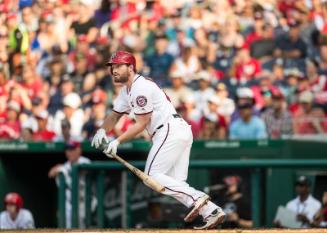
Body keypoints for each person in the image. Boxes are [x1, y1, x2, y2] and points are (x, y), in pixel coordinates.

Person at [91, 51, 226, 229]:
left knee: (153, 176)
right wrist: (102, 130)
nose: (113, 70)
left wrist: (117, 141)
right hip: (178, 130)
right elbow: (115, 115)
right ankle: (211, 211)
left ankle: (198, 198)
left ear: (130, 68)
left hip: (168, 130)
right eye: (112, 67)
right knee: (177, 183)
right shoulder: (127, 91)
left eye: (118, 66)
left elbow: (141, 123)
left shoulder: (140, 88)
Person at [48, 140, 93, 228]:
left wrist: (62, 168)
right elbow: (51, 174)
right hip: (70, 203)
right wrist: (59, 168)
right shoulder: (66, 165)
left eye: (72, 149)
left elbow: (80, 169)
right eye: (67, 150)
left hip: (84, 203)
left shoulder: (85, 161)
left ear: (79, 150)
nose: (69, 152)